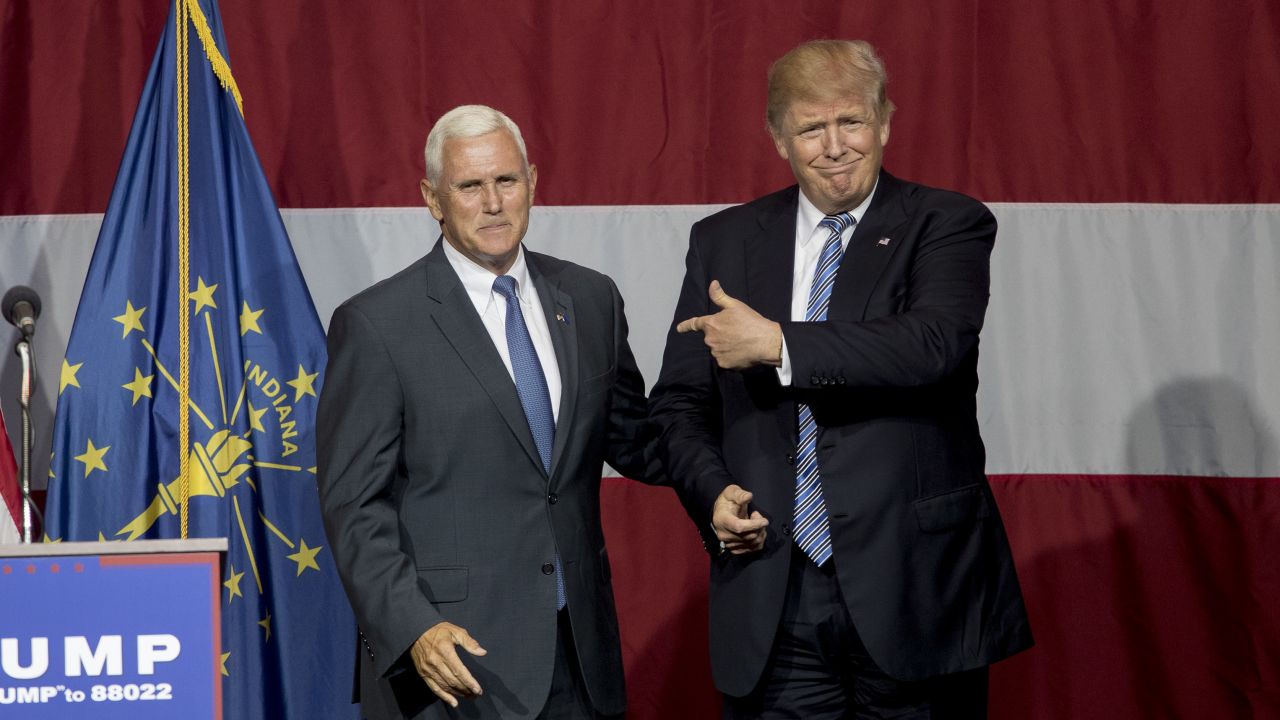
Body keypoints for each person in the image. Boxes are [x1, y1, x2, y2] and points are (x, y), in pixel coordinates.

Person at [649, 40, 1033, 718]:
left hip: (915, 588)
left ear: (883, 122)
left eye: (850, 121)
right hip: (774, 590)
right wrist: (711, 494)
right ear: (779, 139)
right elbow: (680, 402)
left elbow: (930, 346)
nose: (835, 146)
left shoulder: (945, 222)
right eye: (811, 127)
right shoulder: (723, 241)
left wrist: (774, 342)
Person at [317, 104, 661, 720]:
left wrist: (740, 419)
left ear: (533, 180)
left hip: (579, 657)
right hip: (452, 661)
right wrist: (414, 628)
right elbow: (353, 505)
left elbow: (641, 441)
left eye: (507, 180)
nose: (494, 202)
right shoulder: (376, 324)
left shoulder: (590, 298)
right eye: (470, 186)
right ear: (432, 198)